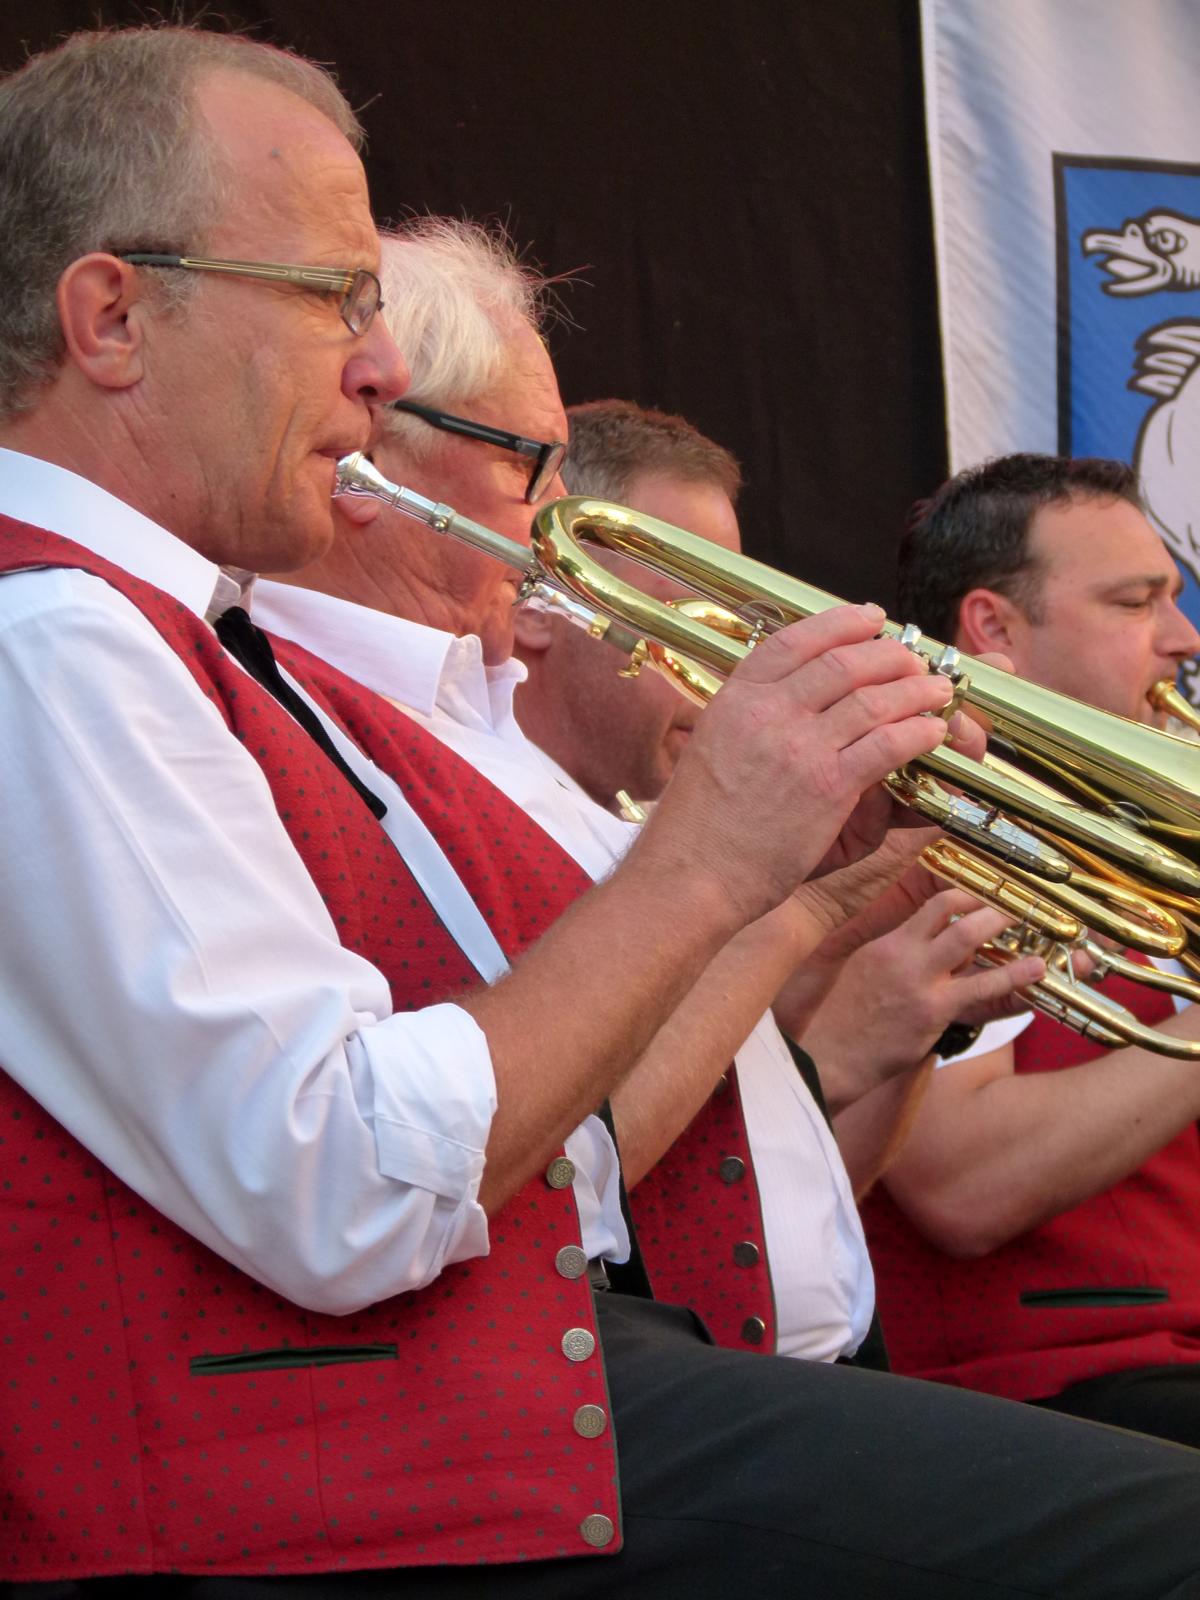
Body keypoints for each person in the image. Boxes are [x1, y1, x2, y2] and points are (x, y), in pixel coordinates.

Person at [3, 32, 1200, 1595]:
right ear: (110, 317)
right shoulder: (58, 636)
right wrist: (712, 858)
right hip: (374, 1474)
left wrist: (794, 884)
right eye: (333, 297)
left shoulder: (174, 638)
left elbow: (552, 1162)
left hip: (484, 1418)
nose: (374, 370)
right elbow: (342, 1185)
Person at [259, 227, 1033, 1362]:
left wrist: (829, 896)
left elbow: (755, 1165)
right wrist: (775, 896)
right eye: (534, 466)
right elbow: (583, 1159)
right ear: (376, 455)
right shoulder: (322, 726)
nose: (558, 518)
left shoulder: (484, 733)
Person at [512, 397, 1036, 1193]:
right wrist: (807, 918)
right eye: (693, 622)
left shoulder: (667, 829)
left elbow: (791, 1189)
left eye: (741, 635)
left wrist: (840, 929)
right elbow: (586, 1182)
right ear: (543, 597)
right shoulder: (504, 835)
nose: (734, 680)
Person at [858, 451, 1200, 1448]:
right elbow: (963, 1182)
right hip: (1059, 1384)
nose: (1182, 638)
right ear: (993, 628)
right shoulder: (922, 828)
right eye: (1135, 603)